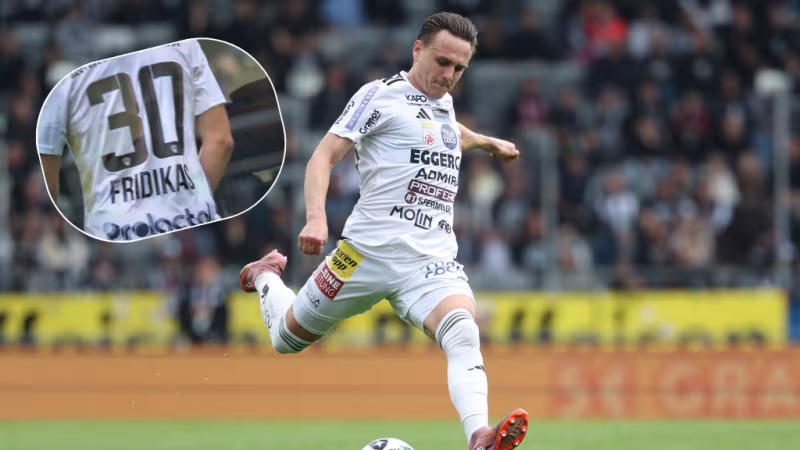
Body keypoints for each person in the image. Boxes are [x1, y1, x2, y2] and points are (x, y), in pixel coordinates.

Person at [240, 12, 528, 450]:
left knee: (462, 331)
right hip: (364, 256)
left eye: (459, 68)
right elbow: (322, 156)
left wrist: (488, 143)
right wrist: (316, 218)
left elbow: (450, 132)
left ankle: (480, 437)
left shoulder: (444, 104)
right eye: (442, 62)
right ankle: (264, 274)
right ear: (418, 49)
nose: (449, 76)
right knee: (286, 339)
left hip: (429, 262)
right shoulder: (379, 96)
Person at [37, 38, 233, 242]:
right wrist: (192, 200)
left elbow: (50, 181)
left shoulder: (76, 88)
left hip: (115, 231)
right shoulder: (187, 52)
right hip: (186, 218)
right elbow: (221, 142)